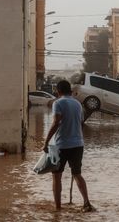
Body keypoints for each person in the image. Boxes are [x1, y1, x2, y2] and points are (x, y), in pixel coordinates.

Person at [42, 80, 94, 212]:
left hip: (62, 145)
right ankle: (87, 203)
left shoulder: (58, 103)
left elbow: (55, 123)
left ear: (58, 91)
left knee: (56, 176)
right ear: (70, 91)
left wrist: (46, 141)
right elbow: (81, 123)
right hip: (78, 144)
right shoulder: (77, 104)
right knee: (77, 174)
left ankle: (58, 208)